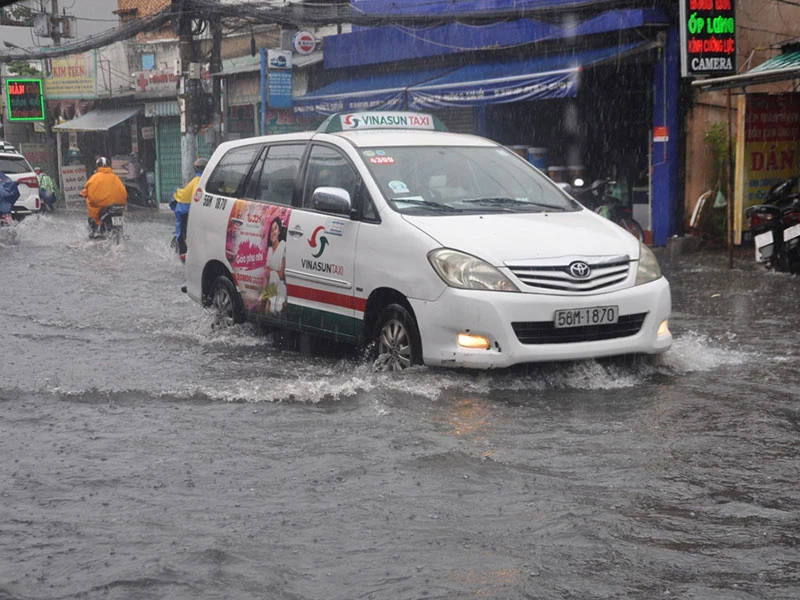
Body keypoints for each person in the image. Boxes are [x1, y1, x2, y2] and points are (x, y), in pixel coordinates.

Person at [171, 157, 208, 262]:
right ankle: (183, 254)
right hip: (184, 210)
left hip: (185, 207)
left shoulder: (201, 179)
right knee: (182, 233)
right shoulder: (198, 180)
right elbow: (196, 198)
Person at [80, 156, 127, 233]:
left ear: (97, 166)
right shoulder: (116, 177)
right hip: (118, 207)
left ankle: (94, 231)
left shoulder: (94, 178)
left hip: (104, 207)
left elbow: (88, 189)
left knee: (93, 213)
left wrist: (83, 194)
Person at [259, 215, 287, 316]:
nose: (273, 233)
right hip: (270, 287)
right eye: (271, 230)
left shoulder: (283, 246)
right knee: (265, 306)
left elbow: (281, 274)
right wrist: (263, 294)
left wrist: (271, 272)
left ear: (279, 232)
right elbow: (266, 276)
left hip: (280, 287)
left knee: (270, 306)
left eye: (275, 229)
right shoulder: (270, 250)